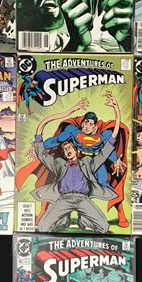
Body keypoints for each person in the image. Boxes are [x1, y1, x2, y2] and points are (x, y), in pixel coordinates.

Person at [31, 93, 121, 233]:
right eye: (65, 149)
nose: (68, 150)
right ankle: (63, 220)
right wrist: (37, 140)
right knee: (43, 227)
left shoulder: (88, 163)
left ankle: (84, 220)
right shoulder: (59, 164)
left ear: (76, 150)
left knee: (104, 227)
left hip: (83, 199)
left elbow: (109, 145)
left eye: (70, 148)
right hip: (64, 199)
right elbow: (43, 153)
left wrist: (116, 109)